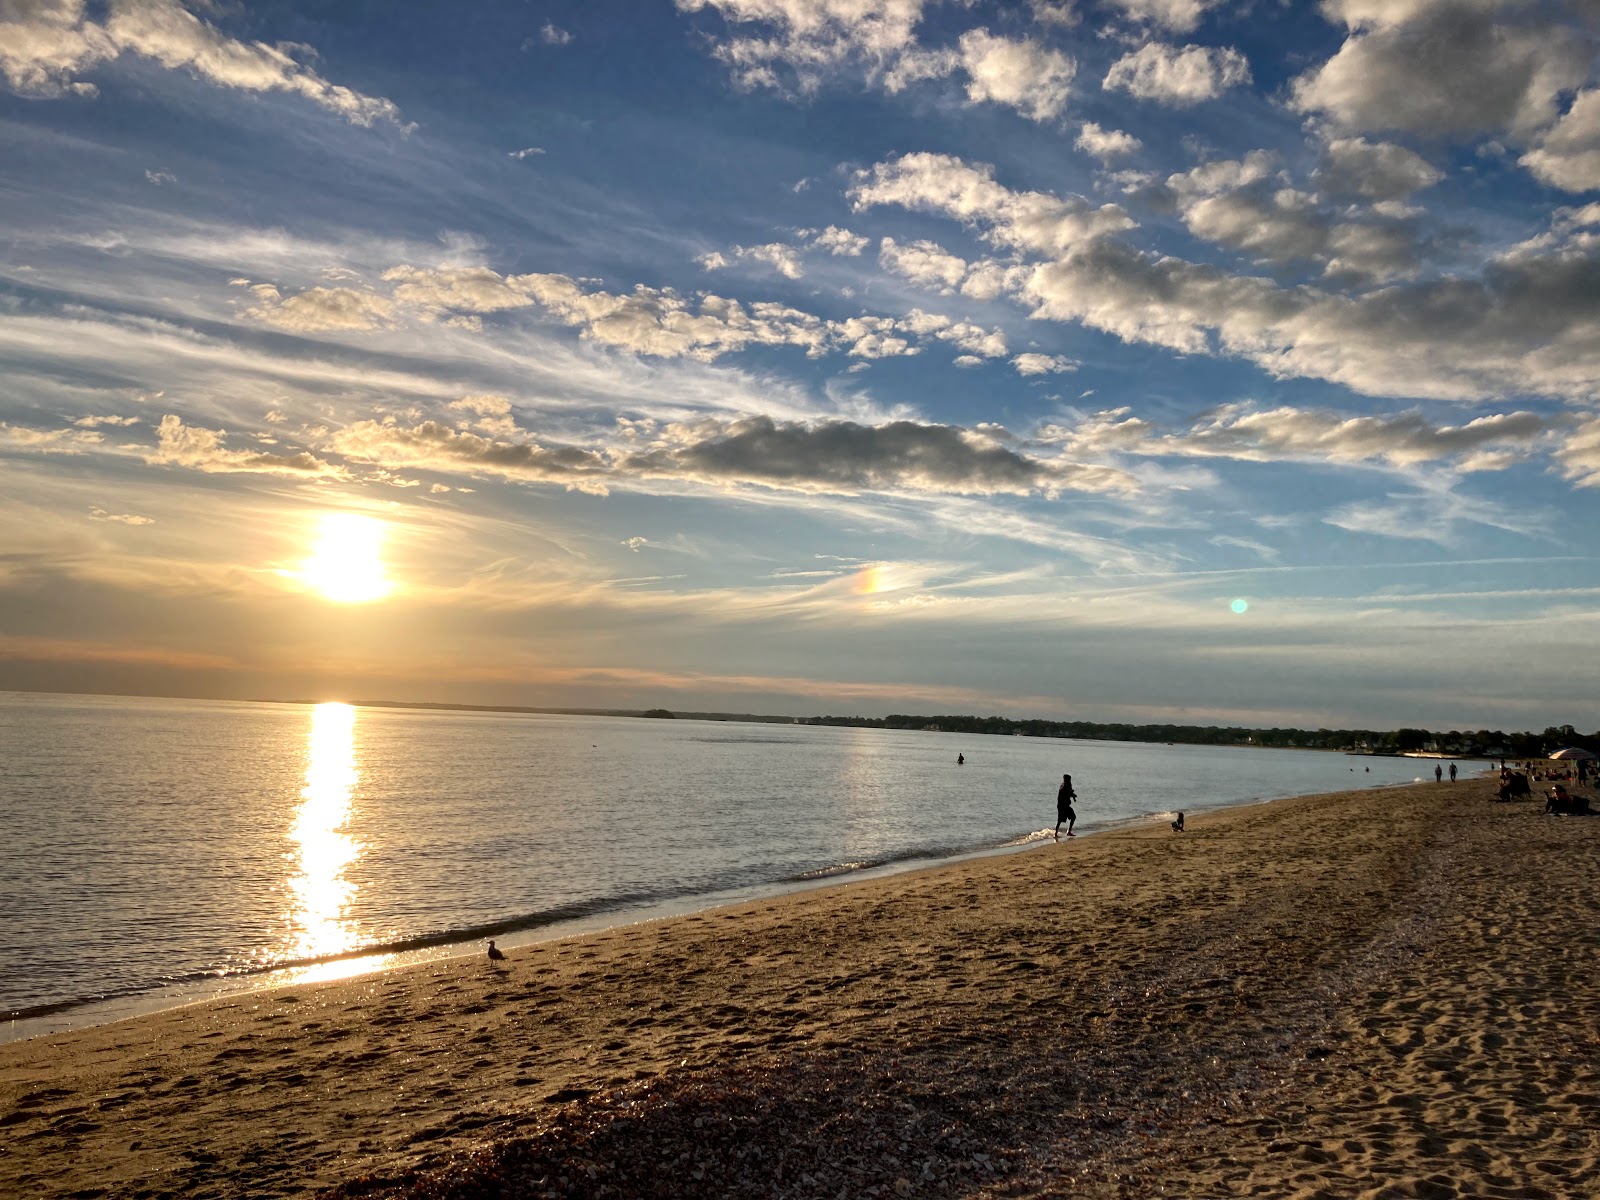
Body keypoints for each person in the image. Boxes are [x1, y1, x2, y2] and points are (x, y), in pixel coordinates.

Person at [1054, 773, 1077, 841]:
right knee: (1060, 820)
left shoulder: (1067, 785)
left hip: (1066, 805)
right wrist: (1072, 795)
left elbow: (1069, 793)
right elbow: (1067, 793)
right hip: (1062, 806)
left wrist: (1072, 795)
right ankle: (1055, 833)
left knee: (1073, 817)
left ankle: (1069, 832)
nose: (1070, 780)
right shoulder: (1064, 786)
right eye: (1069, 779)